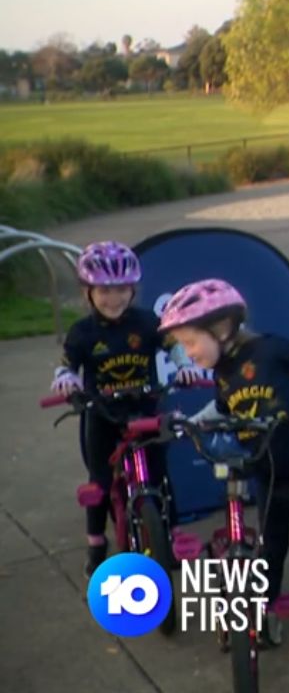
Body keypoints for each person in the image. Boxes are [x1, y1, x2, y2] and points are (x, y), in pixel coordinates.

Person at [160, 278, 289, 644]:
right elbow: (223, 407)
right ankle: (260, 618)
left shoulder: (269, 348)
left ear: (222, 328)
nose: (188, 353)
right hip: (265, 468)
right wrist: (190, 423)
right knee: (271, 545)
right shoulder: (224, 372)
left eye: (191, 342)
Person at [50, 241, 197, 577]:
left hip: (145, 410)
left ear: (133, 290)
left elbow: (172, 345)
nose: (113, 298)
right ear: (87, 292)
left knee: (160, 473)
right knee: (100, 481)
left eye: (121, 289)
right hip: (102, 414)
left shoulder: (147, 322)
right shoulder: (82, 332)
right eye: (104, 290)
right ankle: (96, 543)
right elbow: (67, 364)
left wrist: (184, 365)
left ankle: (170, 533)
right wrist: (65, 379)